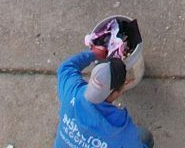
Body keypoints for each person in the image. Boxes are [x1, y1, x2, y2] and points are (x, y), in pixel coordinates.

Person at [55, 20, 152, 148]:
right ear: (116, 92)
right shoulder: (120, 130)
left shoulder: (72, 92)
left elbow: (65, 68)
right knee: (145, 137)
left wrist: (93, 54)